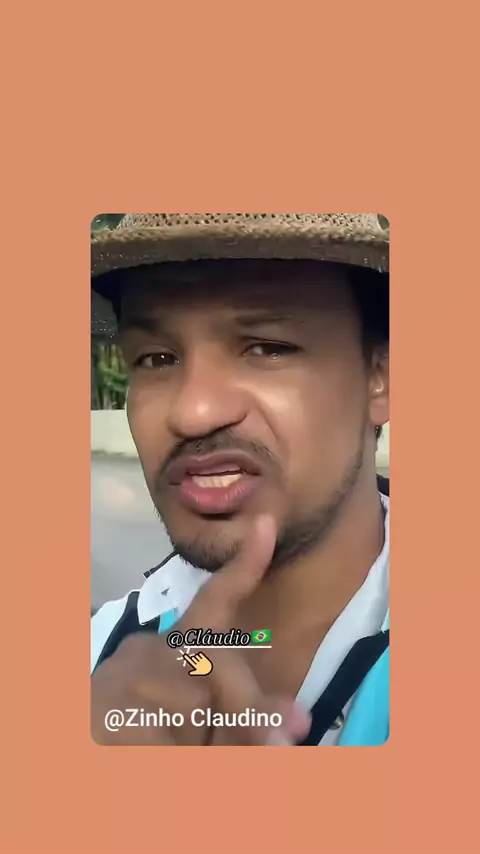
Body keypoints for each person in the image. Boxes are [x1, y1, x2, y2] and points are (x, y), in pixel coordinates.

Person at [90, 213, 390, 746]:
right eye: (156, 358)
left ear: (382, 377)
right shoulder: (97, 659)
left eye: (267, 347)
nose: (194, 412)